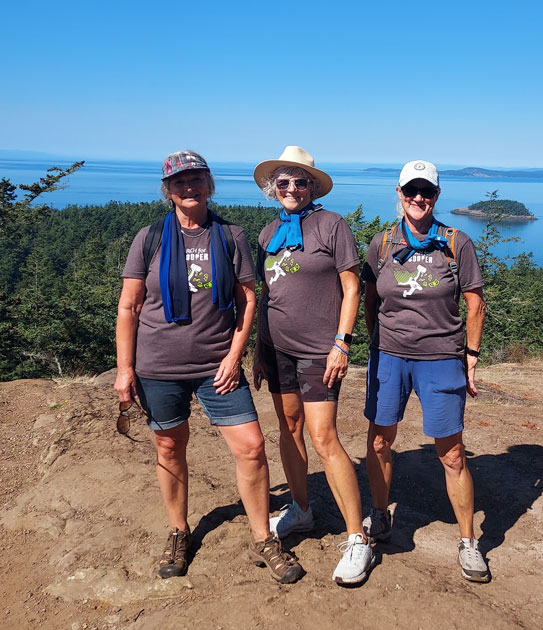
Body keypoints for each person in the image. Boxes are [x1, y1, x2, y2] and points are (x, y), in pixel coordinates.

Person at [114, 150, 303, 584]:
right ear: (168, 190)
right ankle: (178, 532)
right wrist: (125, 369)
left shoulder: (230, 235)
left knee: (251, 448)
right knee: (169, 447)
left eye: (197, 178)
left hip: (218, 363)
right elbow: (129, 306)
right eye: (180, 181)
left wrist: (235, 356)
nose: (189, 187)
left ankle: (263, 538)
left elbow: (247, 298)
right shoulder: (149, 238)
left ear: (209, 184)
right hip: (158, 364)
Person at [362, 160, 490, 583]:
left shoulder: (456, 243)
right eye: (412, 190)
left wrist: (471, 354)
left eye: (427, 191)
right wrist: (378, 342)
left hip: (440, 357)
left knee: (451, 453)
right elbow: (369, 299)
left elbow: (475, 303)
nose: (419, 198)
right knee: (379, 441)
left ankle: (468, 540)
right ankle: (379, 513)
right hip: (389, 356)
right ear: (399, 193)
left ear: (436, 196)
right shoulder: (381, 244)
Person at [252, 145, 375, 585]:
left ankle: (358, 538)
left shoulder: (331, 224)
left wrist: (342, 343)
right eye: (283, 182)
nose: (291, 188)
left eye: (300, 182)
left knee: (324, 437)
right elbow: (267, 294)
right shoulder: (268, 234)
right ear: (273, 188)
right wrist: (259, 348)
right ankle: (301, 510)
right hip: (277, 348)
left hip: (319, 350)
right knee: (288, 427)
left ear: (312, 187)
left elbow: (352, 287)